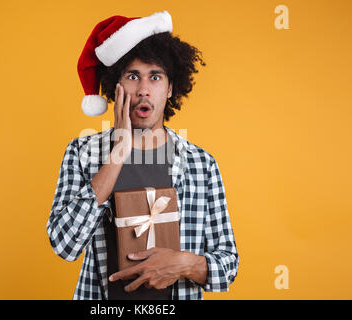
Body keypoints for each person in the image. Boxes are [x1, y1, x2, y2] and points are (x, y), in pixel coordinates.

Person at [46, 10, 239, 300]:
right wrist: (118, 152)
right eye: (133, 76)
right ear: (116, 86)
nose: (144, 90)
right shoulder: (83, 153)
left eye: (156, 77)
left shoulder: (201, 164)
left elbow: (228, 266)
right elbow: (65, 245)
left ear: (171, 87)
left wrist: (182, 264)